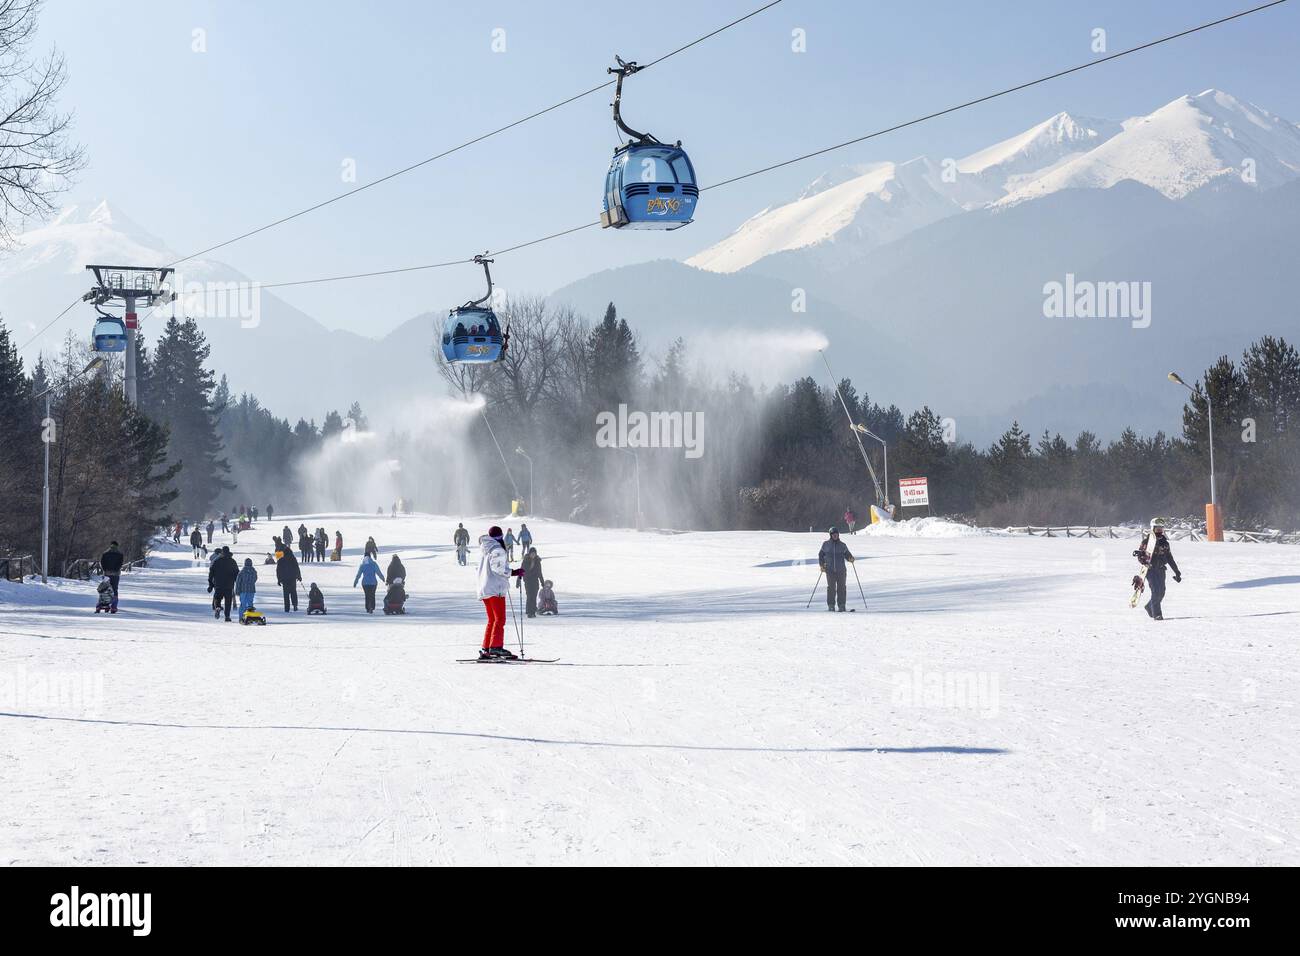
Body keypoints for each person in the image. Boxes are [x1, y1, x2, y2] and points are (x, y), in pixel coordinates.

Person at [477, 525, 525, 659]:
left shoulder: (484, 548)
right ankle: (496, 647)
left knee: (492, 619)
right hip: (495, 588)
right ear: (500, 536)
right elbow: (498, 569)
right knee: (500, 619)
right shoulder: (497, 549)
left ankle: (486, 648)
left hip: (485, 588)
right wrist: (514, 572)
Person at [1138, 517, 1182, 621]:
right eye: (1157, 529)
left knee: (1161, 592)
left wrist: (1177, 571)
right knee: (1156, 591)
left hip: (1161, 570)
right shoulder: (1146, 542)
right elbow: (1140, 555)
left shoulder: (1165, 543)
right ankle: (1157, 614)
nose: (1159, 531)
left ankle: (1149, 607)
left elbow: (1170, 558)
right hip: (1150, 570)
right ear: (1152, 528)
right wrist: (1143, 561)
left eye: (1161, 529)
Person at [818, 527, 856, 612]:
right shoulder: (826, 544)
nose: (835, 536)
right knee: (831, 588)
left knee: (841, 588)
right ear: (830, 535)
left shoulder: (842, 545)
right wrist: (822, 565)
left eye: (836, 534)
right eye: (833, 534)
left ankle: (841, 605)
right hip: (830, 570)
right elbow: (821, 555)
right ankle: (831, 605)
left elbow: (847, 554)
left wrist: (850, 558)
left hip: (841, 570)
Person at [208, 546, 239, 622]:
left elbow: (211, 573)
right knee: (228, 601)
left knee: (217, 598)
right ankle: (227, 616)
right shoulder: (232, 561)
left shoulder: (217, 561)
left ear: (222, 552)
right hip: (229, 585)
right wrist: (237, 583)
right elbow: (237, 574)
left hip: (218, 584)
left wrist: (211, 585)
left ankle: (217, 607)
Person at [277, 542, 302, 612]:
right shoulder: (292, 556)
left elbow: (278, 569)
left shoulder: (280, 557)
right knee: (293, 592)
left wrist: (279, 579)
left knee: (286, 594)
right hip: (292, 578)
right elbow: (296, 567)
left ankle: (287, 608)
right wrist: (299, 576)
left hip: (284, 579)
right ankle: (295, 605)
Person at [99, 541, 125, 607]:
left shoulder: (105, 553)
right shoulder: (120, 554)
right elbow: (120, 564)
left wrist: (105, 570)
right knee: (114, 588)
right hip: (115, 574)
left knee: (105, 588)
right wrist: (115, 570)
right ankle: (114, 604)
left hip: (106, 574)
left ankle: (105, 602)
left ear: (110, 545)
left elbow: (102, 563)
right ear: (117, 546)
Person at [521, 547, 544, 618]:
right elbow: (521, 570)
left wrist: (542, 582)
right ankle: (529, 611)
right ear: (529, 553)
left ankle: (533, 611)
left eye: (534, 553)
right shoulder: (525, 560)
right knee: (529, 596)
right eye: (532, 553)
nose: (533, 555)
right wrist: (518, 580)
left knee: (534, 596)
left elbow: (540, 572)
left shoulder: (537, 561)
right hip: (528, 580)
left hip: (535, 581)